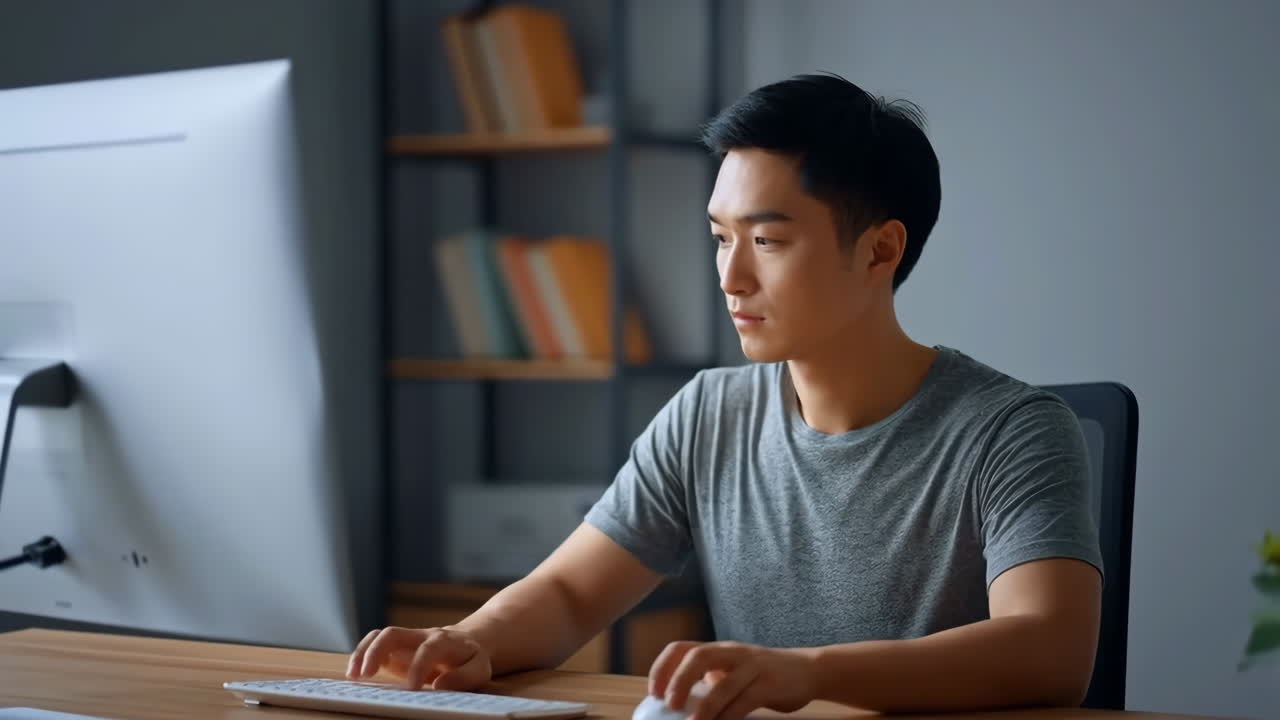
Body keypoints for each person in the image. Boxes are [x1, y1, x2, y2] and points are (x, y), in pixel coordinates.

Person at [347, 73, 1103, 717]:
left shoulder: (1015, 431)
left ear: (880, 250)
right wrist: (470, 640)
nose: (731, 277)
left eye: (767, 241)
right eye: (719, 237)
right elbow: (573, 592)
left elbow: (1049, 649)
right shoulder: (710, 413)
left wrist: (805, 674)